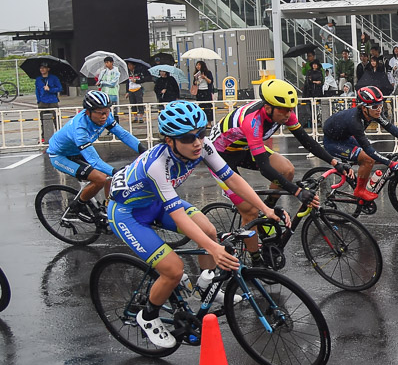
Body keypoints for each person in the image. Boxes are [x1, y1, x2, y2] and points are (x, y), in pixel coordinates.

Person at [108, 101, 283, 348]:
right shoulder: (156, 166)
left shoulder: (203, 147)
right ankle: (147, 316)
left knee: (210, 231)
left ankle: (203, 286)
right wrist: (214, 250)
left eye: (201, 133)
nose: (198, 142)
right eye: (189, 138)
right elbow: (179, 216)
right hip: (128, 213)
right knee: (173, 269)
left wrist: (265, 208)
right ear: (170, 140)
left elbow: (232, 179)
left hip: (157, 201)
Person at [210, 79, 341, 264]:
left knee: (287, 169)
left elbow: (307, 141)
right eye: (283, 110)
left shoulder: (284, 113)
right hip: (221, 156)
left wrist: (335, 163)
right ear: (268, 107)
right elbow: (265, 168)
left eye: (290, 109)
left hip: (243, 147)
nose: (288, 114)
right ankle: (256, 260)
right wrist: (297, 192)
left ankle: (266, 212)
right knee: (249, 210)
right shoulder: (252, 121)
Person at [47, 90, 146, 218]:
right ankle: (76, 207)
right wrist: (117, 172)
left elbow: (123, 134)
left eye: (107, 111)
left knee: (109, 177)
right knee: (100, 178)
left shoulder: (105, 116)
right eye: (100, 113)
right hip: (60, 156)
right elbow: (94, 161)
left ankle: (108, 209)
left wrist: (144, 151)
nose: (104, 116)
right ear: (88, 112)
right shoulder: (80, 129)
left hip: (78, 151)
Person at [322, 86, 398, 204]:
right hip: (333, 143)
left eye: (380, 105)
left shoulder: (372, 112)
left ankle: (360, 178)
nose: (379, 109)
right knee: (368, 159)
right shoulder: (355, 122)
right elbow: (368, 149)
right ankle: (359, 190)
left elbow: (389, 127)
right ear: (364, 108)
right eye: (375, 107)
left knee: (372, 158)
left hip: (345, 137)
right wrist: (390, 163)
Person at [35, 62, 62, 142]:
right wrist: (39, 100)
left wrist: (50, 89)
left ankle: (60, 135)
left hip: (52, 101)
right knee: (43, 120)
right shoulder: (38, 79)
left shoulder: (54, 78)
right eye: (41, 68)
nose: (42, 69)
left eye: (44, 68)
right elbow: (37, 90)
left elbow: (59, 88)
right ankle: (44, 136)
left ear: (48, 69)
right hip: (42, 102)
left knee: (56, 119)